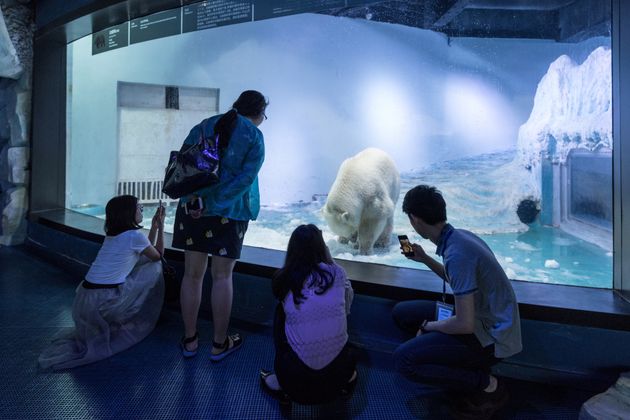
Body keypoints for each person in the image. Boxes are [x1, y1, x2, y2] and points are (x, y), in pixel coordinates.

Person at [392, 185, 522, 419]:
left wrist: (428, 326)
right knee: (402, 313)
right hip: (484, 319)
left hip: (492, 336)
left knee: (404, 360)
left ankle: (485, 383)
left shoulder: (457, 253)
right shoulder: (459, 238)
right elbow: (459, 282)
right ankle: (457, 367)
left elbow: (464, 325)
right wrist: (424, 259)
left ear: (415, 220)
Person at [172, 90, 268, 361]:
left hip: (193, 211)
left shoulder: (205, 125)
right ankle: (218, 344)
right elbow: (245, 179)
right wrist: (217, 203)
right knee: (222, 277)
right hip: (230, 214)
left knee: (192, 275)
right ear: (260, 112)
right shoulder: (254, 136)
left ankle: (190, 341)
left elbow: (184, 165)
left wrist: (197, 201)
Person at [38, 195, 165, 370]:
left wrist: (154, 227)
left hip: (84, 300)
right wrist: (162, 225)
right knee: (155, 266)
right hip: (103, 302)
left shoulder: (113, 235)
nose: (142, 209)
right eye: (139, 207)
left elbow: (145, 249)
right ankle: (130, 316)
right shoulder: (135, 237)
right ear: (128, 213)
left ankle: (113, 321)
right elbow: (157, 255)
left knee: (143, 264)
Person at [260, 224, 357, 405]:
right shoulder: (338, 273)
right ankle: (344, 381)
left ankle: (280, 382)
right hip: (339, 376)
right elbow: (347, 309)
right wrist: (330, 259)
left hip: (294, 381)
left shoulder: (283, 278)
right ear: (323, 248)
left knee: (280, 311)